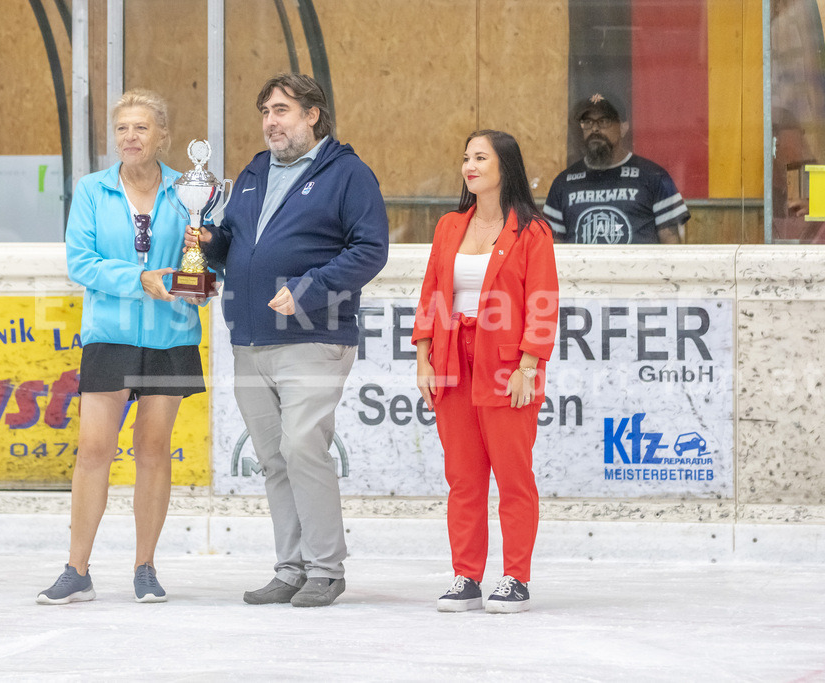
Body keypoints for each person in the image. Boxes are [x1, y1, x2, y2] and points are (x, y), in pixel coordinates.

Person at [186, 73, 389, 608]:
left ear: (312, 115)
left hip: (313, 335)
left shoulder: (347, 174)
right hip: (250, 338)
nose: (270, 122)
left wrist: (309, 289)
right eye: (265, 112)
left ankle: (326, 569)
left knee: (302, 445)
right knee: (274, 457)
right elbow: (236, 246)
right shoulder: (255, 172)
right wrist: (209, 242)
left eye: (281, 110)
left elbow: (370, 250)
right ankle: (291, 567)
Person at [37, 89, 205, 605]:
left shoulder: (190, 190)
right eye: (122, 129)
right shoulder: (92, 189)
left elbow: (207, 254)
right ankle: (77, 569)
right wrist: (140, 280)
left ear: (163, 136)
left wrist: (203, 280)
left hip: (171, 337)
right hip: (108, 337)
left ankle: (145, 567)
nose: (130, 137)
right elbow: (81, 262)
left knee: (153, 450)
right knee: (94, 450)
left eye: (141, 128)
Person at [413, 130, 558, 613]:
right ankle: (466, 576)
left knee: (513, 477)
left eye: (480, 158)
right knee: (463, 478)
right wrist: (424, 359)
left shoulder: (532, 231)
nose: (469, 166)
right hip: (452, 361)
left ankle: (515, 577)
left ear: (505, 167)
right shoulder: (449, 226)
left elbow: (542, 303)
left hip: (507, 364)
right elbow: (432, 295)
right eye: (466, 158)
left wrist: (528, 367)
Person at [543, 93, 689, 244]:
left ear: (623, 127)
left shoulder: (654, 177)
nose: (595, 129)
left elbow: (671, 243)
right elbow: (553, 247)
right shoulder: (563, 183)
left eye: (604, 121)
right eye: (588, 122)